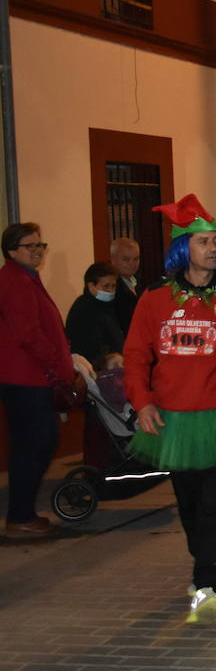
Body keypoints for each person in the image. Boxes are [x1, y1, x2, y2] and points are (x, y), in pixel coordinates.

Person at [123, 195, 216, 623]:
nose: (213, 248)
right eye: (203, 241)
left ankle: (205, 581)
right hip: (175, 419)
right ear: (182, 248)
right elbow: (135, 356)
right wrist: (142, 401)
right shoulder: (155, 299)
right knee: (189, 505)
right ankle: (210, 562)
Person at [0, 223, 73, 538]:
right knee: (36, 444)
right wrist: (56, 363)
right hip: (26, 378)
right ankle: (19, 516)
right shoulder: (15, 281)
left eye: (39, 245)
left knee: (34, 444)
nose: (36, 251)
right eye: (28, 246)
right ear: (11, 251)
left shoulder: (25, 278)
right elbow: (28, 332)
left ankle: (22, 513)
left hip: (30, 377)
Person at [64, 263, 126, 370]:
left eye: (113, 286)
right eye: (106, 286)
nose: (111, 291)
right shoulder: (85, 308)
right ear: (91, 286)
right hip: (97, 369)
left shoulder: (105, 306)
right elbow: (89, 346)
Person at [109, 236, 142, 334]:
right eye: (126, 259)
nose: (132, 264)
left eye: (136, 259)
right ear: (113, 259)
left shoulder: (138, 283)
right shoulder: (110, 287)